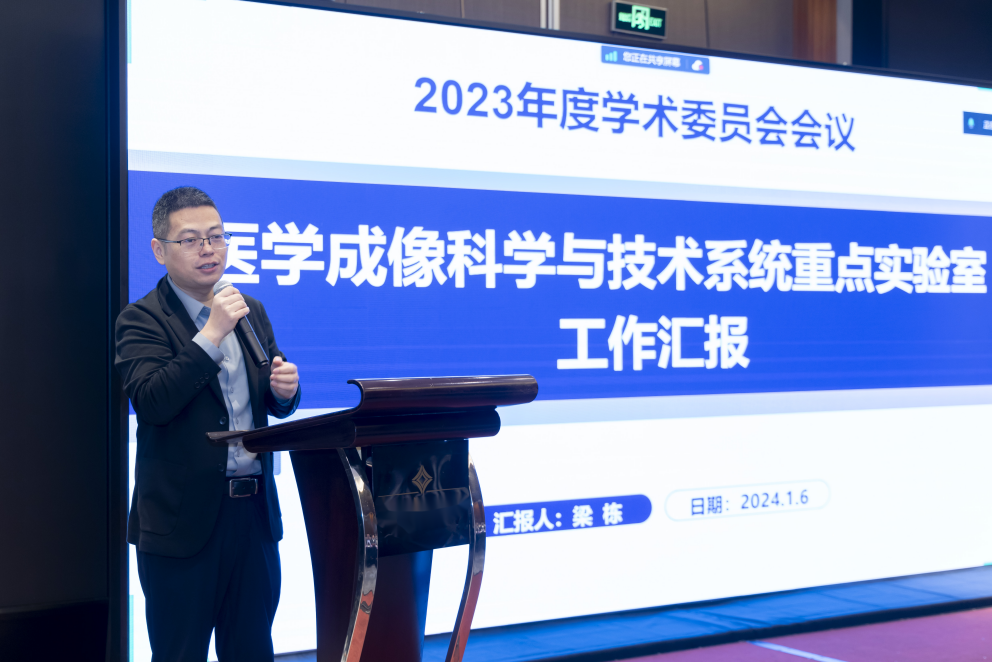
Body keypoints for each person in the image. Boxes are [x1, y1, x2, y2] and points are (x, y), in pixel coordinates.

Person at [115, 186, 301, 662]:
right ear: (159, 250)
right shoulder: (140, 320)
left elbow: (265, 395)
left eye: (217, 237)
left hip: (253, 516)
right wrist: (212, 332)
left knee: (253, 651)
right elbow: (153, 401)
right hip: (182, 525)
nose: (208, 249)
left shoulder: (248, 308)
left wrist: (284, 392)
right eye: (191, 239)